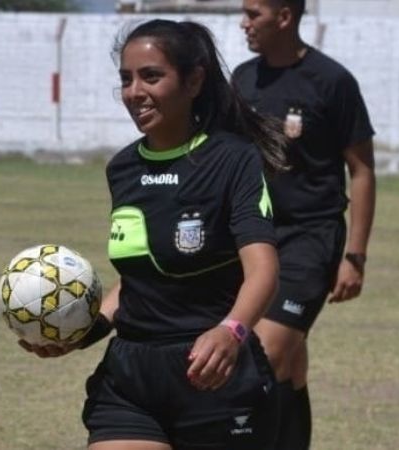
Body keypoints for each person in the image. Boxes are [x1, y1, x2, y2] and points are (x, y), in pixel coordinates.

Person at [20, 18, 291, 450]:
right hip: (131, 380)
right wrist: (78, 333)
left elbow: (262, 269)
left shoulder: (232, 160)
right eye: (126, 79)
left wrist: (231, 331)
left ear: (194, 81)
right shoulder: (123, 168)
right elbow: (136, 281)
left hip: (212, 374)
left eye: (151, 76)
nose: (134, 92)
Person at [232, 0, 377, 448]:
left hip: (311, 238)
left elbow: (363, 171)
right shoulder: (242, 79)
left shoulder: (331, 81)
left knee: (262, 352)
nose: (244, 23)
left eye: (253, 13)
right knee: (288, 365)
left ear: (284, 17)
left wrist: (354, 256)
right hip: (256, 239)